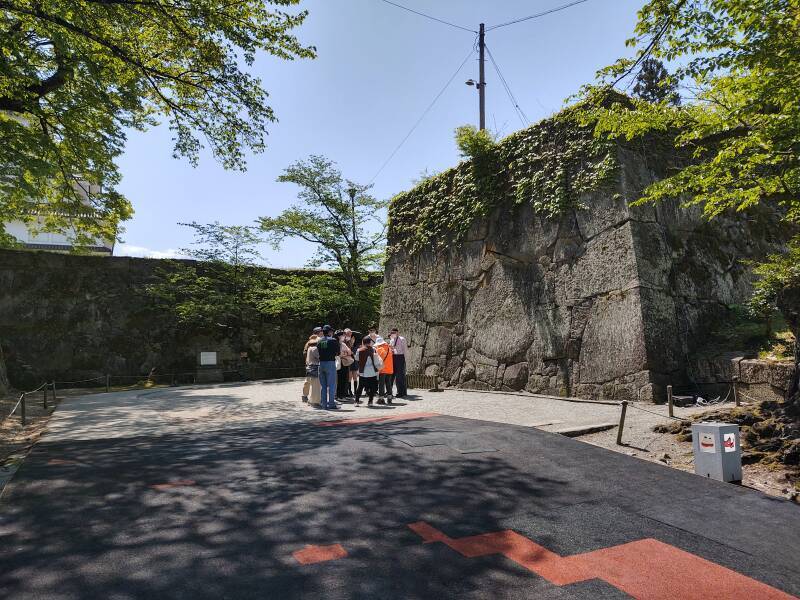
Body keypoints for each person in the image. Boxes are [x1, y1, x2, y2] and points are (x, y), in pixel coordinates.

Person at [317, 325, 340, 409]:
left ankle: (324, 404)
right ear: (330, 332)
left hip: (321, 363)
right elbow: (338, 352)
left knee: (323, 386)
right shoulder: (333, 340)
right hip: (330, 363)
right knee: (332, 385)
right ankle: (331, 404)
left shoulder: (319, 341)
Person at [354, 336, 383, 406]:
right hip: (373, 371)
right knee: (372, 387)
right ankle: (370, 401)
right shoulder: (373, 349)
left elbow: (357, 359)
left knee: (360, 387)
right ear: (370, 342)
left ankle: (357, 401)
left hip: (363, 371)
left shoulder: (359, 350)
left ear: (363, 342)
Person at [301, 327, 322, 401]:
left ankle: (305, 395)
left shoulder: (314, 341)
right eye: (321, 331)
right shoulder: (311, 342)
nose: (322, 333)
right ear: (318, 332)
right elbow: (305, 352)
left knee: (308, 380)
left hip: (309, 363)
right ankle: (305, 395)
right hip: (311, 363)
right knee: (309, 380)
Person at [375, 335, 394, 404]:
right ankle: (389, 398)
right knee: (388, 383)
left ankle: (381, 399)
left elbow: (377, 359)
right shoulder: (389, 348)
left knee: (381, 384)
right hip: (390, 368)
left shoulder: (379, 349)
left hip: (382, 369)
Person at [389, 328, 408, 398]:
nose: (393, 333)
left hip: (400, 357)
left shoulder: (402, 339)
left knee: (400, 376)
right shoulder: (391, 340)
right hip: (393, 357)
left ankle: (401, 392)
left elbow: (405, 349)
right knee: (391, 375)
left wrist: (405, 359)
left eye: (394, 332)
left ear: (397, 332)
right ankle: (389, 392)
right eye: (392, 332)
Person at [304, 336, 321, 407]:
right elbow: (320, 357)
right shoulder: (315, 349)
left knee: (313, 385)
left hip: (310, 368)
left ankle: (311, 400)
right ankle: (314, 402)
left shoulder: (309, 348)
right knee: (316, 386)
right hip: (315, 368)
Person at [335, 330, 352, 400]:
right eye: (342, 335)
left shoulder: (342, 344)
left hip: (344, 363)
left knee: (344, 379)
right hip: (339, 363)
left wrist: (344, 353)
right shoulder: (336, 344)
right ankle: (339, 395)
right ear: (339, 336)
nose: (344, 336)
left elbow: (349, 352)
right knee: (340, 380)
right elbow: (339, 353)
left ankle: (342, 395)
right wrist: (345, 353)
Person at [345, 328, 360, 398]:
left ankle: (355, 391)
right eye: (351, 338)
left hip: (355, 361)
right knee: (349, 377)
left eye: (353, 338)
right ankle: (349, 391)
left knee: (355, 377)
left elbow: (356, 351)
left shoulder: (356, 344)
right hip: (349, 361)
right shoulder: (346, 343)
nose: (352, 339)